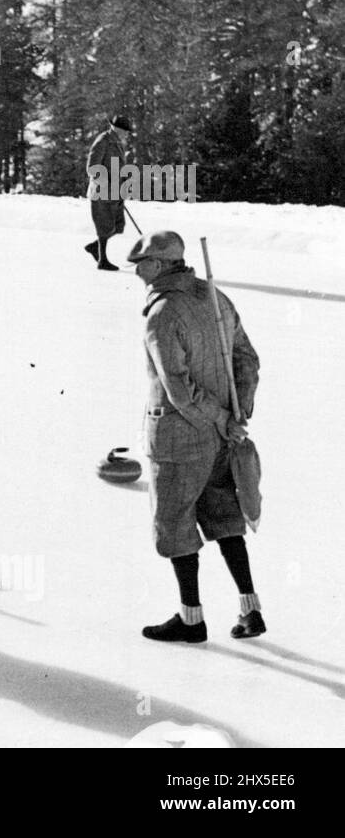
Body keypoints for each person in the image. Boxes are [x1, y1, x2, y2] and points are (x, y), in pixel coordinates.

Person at [128, 231, 264, 643]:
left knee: (175, 524)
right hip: (223, 439)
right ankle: (250, 609)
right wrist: (238, 413)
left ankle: (191, 619)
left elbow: (180, 390)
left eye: (143, 262)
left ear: (163, 264)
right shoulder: (214, 297)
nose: (137, 269)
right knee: (225, 516)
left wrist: (223, 418)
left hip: (180, 439)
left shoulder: (163, 313)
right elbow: (248, 359)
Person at [84, 114, 133, 271]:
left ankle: (95, 247)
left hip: (115, 191)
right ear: (117, 129)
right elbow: (92, 167)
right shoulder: (103, 140)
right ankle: (102, 260)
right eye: (125, 131)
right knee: (105, 226)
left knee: (118, 226)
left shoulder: (117, 142)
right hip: (102, 191)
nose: (127, 134)